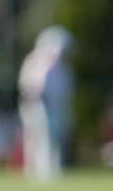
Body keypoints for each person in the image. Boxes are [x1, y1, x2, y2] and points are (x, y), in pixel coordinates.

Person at [18, 25, 74, 181]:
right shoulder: (35, 61)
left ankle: (52, 170)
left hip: (55, 107)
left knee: (54, 139)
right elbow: (28, 85)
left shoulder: (62, 67)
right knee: (36, 139)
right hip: (37, 106)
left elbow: (65, 90)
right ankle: (36, 171)